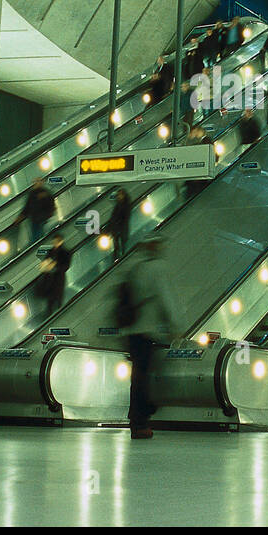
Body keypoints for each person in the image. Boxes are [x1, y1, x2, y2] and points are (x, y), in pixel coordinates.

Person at [119, 237, 177, 440]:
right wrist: (175, 325)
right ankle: (141, 421)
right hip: (145, 331)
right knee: (143, 378)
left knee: (137, 377)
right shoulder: (158, 268)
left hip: (130, 331)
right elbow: (166, 298)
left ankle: (136, 419)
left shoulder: (135, 267)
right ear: (154, 247)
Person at [38, 232, 72, 317]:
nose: (54, 243)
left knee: (58, 300)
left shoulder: (65, 252)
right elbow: (45, 262)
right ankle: (49, 317)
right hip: (49, 279)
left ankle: (58, 318)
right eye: (54, 241)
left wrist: (55, 266)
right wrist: (45, 266)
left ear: (61, 241)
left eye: (56, 241)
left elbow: (66, 266)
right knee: (49, 301)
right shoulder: (50, 251)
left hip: (58, 279)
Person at [106, 188, 133, 261]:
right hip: (116, 230)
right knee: (116, 246)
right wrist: (109, 228)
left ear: (124, 195)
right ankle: (116, 260)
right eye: (118, 195)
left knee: (123, 245)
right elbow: (113, 218)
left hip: (122, 229)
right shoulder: (117, 205)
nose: (119, 196)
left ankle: (123, 259)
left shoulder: (126, 205)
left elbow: (125, 218)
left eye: (120, 194)